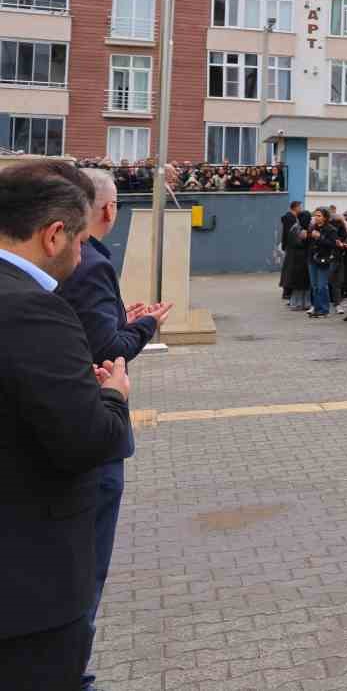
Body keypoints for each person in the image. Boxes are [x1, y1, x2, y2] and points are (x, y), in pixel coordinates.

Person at [0, 161, 133, 688]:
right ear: (55, 234)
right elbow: (88, 441)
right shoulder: (33, 311)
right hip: (28, 595)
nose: (83, 256)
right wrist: (112, 396)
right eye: (80, 240)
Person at [54, 167, 169, 690]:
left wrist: (121, 321)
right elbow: (107, 351)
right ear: (105, 211)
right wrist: (144, 326)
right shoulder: (90, 263)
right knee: (81, 572)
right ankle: (71, 673)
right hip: (87, 431)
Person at [305, 208, 336, 318]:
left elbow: (332, 245)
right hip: (312, 259)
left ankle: (324, 309)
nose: (316, 218)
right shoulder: (312, 227)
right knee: (314, 286)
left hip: (323, 260)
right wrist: (305, 236)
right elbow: (308, 243)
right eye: (315, 215)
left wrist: (320, 237)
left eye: (319, 215)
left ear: (325, 217)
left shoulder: (331, 229)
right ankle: (317, 308)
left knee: (322, 285)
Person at [278, 199, 302, 301]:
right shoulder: (291, 218)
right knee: (289, 269)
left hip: (289, 246)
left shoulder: (290, 218)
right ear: (295, 207)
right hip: (291, 247)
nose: (301, 209)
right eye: (300, 207)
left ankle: (287, 291)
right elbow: (290, 234)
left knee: (288, 268)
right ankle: (287, 292)